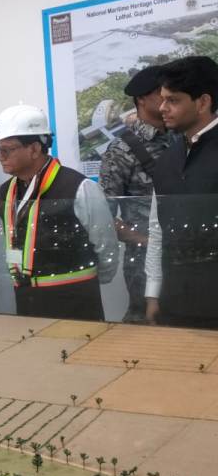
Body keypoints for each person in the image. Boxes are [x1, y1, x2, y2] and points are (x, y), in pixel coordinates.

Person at [0, 104, 118, 320]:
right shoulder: (4, 192)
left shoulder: (79, 187)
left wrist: (92, 280)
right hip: (27, 299)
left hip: (76, 301)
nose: (0, 157)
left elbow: (106, 245)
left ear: (34, 149)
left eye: (6, 150)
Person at [145, 55, 218, 328]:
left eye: (173, 100)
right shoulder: (168, 158)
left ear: (203, 102)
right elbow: (157, 228)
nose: (162, 108)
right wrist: (153, 292)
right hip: (176, 297)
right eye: (162, 99)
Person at [99, 65, 169, 321]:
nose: (167, 96)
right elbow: (104, 215)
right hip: (143, 261)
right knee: (146, 322)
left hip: (184, 257)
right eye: (161, 92)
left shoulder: (181, 140)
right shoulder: (120, 150)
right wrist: (146, 241)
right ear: (142, 99)